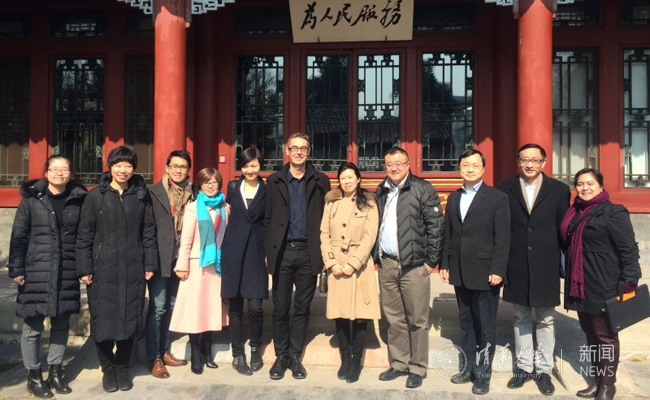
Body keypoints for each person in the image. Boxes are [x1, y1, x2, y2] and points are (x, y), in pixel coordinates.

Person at [76, 146, 158, 393]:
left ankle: (122, 367)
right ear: (110, 167)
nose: (123, 170)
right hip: (102, 268)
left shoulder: (141, 195)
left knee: (129, 320)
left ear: (134, 168)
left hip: (133, 266)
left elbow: (149, 232)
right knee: (102, 321)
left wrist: (150, 263)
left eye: (128, 165)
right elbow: (84, 235)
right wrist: (84, 268)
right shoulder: (95, 197)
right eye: (118, 165)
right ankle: (108, 368)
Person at [8, 155, 87, 398]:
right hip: (36, 269)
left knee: (61, 324)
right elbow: (19, 235)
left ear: (71, 173)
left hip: (66, 269)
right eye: (55, 169)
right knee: (33, 326)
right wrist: (17, 269)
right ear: (46, 172)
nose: (59, 173)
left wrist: (84, 267)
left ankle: (55, 371)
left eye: (64, 169)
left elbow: (84, 237)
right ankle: (33, 375)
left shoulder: (79, 200)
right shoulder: (31, 200)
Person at [496, 143, 570, 395]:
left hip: (546, 264)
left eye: (534, 160)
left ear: (543, 163)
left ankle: (544, 370)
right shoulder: (504, 188)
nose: (529, 164)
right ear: (518, 162)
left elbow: (563, 229)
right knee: (521, 317)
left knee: (546, 319)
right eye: (524, 160)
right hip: (516, 262)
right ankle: (524, 368)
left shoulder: (559, 190)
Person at [560, 168, 641, 400]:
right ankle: (597, 380)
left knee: (605, 336)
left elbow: (628, 250)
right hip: (579, 283)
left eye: (590, 183)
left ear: (601, 186)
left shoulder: (614, 212)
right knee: (590, 334)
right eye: (580, 184)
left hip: (604, 283)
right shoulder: (574, 212)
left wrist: (629, 282)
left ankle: (608, 385)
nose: (584, 188)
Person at [440, 148, 510, 395]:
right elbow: (449, 234)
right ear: (459, 168)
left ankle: (483, 374)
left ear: (483, 169)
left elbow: (503, 237)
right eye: (465, 165)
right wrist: (445, 263)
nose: (469, 169)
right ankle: (468, 367)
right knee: (467, 323)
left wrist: (498, 269)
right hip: (460, 270)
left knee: (486, 326)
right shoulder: (454, 197)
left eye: (474, 165)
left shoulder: (497, 198)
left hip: (485, 271)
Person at [373, 147, 444, 389]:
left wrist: (430, 263)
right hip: (387, 263)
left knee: (417, 319)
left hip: (414, 266)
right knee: (394, 318)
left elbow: (436, 228)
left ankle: (417, 367)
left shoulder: (422, 189)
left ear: (408, 164)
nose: (393, 168)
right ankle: (399, 363)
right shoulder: (381, 190)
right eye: (389, 164)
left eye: (398, 163)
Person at [264, 132, 330, 380]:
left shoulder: (320, 180)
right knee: (280, 307)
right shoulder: (274, 181)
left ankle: (294, 356)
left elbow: (327, 218)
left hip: (308, 251)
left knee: (302, 307)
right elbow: (267, 219)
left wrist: (324, 253)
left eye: (303, 148)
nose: (299, 152)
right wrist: (268, 251)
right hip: (282, 251)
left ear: (309, 151)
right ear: (287, 151)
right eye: (295, 148)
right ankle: (280, 356)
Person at [320, 162, 380, 384]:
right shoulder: (331, 203)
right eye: (343, 178)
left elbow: (370, 235)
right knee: (341, 314)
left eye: (350, 177)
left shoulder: (369, 203)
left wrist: (354, 263)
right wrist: (331, 262)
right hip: (336, 264)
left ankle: (356, 361)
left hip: (360, 265)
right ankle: (345, 359)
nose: (346, 181)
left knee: (361, 315)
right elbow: (324, 233)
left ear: (358, 179)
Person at [169, 167, 229, 375]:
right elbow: (186, 239)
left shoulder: (226, 207)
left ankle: (207, 351)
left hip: (216, 265)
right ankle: (196, 353)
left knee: (211, 309)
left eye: (214, 182)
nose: (210, 186)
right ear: (200, 185)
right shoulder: (193, 208)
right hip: (197, 264)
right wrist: (182, 264)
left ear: (219, 184)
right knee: (196, 310)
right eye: (206, 182)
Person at [146, 150, 194, 378]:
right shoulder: (153, 193)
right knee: (158, 307)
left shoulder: (193, 193)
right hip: (159, 257)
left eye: (183, 167)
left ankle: (163, 350)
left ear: (188, 170)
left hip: (181, 258)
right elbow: (146, 229)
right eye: (174, 166)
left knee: (172, 306)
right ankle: (153, 356)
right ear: (166, 168)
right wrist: (148, 261)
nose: (178, 170)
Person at [222, 148, 267, 375]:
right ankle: (237, 354)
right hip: (234, 251)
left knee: (256, 307)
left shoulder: (267, 190)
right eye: (246, 166)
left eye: (254, 165)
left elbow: (269, 221)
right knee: (236, 307)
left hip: (256, 252)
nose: (250, 170)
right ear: (241, 167)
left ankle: (255, 348)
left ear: (260, 166)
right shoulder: (232, 188)